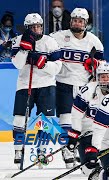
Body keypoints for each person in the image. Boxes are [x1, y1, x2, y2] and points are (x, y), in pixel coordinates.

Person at [49, 7, 104, 168]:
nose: (77, 23)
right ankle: (68, 149)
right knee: (66, 119)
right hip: (63, 83)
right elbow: (44, 45)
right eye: (74, 20)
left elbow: (101, 65)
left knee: (85, 121)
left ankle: (79, 148)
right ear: (70, 21)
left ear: (86, 23)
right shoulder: (58, 37)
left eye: (80, 21)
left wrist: (95, 65)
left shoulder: (94, 41)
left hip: (84, 87)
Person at [10, 13, 62, 168]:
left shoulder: (50, 42)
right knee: (19, 119)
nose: (36, 30)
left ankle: (42, 151)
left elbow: (57, 69)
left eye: (38, 27)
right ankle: (18, 150)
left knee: (45, 121)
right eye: (32, 28)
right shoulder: (18, 41)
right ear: (27, 29)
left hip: (46, 85)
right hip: (25, 85)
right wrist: (24, 50)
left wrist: (42, 63)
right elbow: (18, 65)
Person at [66, 61, 109, 176]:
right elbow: (76, 113)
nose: (106, 80)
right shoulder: (88, 90)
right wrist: (75, 133)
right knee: (89, 168)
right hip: (88, 134)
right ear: (97, 77)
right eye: (103, 77)